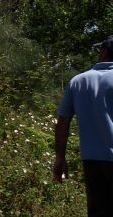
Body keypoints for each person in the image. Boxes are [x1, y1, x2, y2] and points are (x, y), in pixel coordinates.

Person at [53, 35, 113, 217]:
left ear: (103, 52)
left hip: (92, 161)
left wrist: (60, 158)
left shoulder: (78, 81)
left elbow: (63, 122)